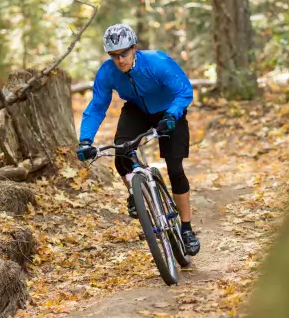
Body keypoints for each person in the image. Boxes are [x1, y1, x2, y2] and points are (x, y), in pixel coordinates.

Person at [76, 23, 200, 256]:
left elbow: (184, 91)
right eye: (114, 55)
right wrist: (85, 140)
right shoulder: (107, 72)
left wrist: (173, 114)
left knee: (174, 168)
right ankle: (137, 195)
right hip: (137, 110)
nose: (120, 60)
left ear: (134, 48)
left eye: (124, 53)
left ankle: (186, 229)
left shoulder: (157, 62)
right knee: (121, 156)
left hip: (168, 111)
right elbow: (97, 107)